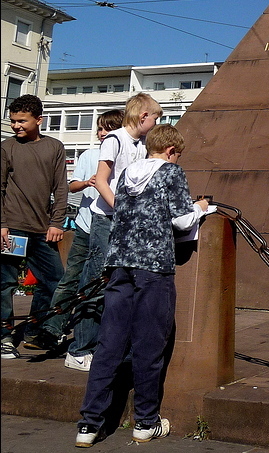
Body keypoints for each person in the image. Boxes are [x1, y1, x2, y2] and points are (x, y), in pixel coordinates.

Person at [76, 123, 209, 447]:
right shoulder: (171, 173)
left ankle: (88, 426)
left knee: (109, 347)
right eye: (177, 155)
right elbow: (180, 220)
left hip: (120, 266)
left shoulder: (128, 173)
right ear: (171, 151)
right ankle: (145, 423)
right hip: (154, 268)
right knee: (149, 347)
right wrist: (200, 208)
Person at [65, 92, 162, 372]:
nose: (156, 122)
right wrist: (120, 209)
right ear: (144, 116)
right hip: (107, 220)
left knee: (122, 284)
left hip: (128, 222)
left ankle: (111, 347)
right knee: (95, 281)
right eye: (155, 117)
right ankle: (79, 349)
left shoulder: (143, 143)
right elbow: (102, 182)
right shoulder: (115, 140)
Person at [24, 109, 124, 353]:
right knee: (69, 279)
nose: (102, 134)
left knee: (97, 284)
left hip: (108, 225)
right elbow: (72, 185)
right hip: (84, 224)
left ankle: (92, 336)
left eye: (107, 129)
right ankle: (52, 330)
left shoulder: (126, 154)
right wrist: (88, 182)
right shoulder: (89, 155)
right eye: (99, 129)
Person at [1, 95, 67, 359]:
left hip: (42, 230)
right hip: (12, 228)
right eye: (13, 121)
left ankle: (35, 329)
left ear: (39, 120)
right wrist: (2, 224)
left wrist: (57, 222)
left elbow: (61, 187)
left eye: (22, 121)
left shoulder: (55, 147)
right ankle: (4, 335)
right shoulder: (7, 147)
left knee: (54, 280)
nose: (16, 126)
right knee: (6, 283)